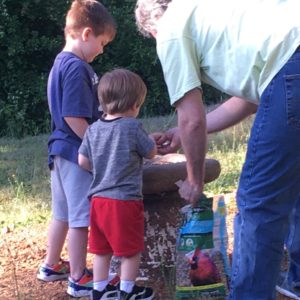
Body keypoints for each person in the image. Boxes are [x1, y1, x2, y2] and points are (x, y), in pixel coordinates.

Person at [135, 0, 300, 299]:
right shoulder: (213, 10)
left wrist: (194, 180)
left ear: (152, 25)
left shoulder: (171, 28)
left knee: (258, 204)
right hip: (292, 59)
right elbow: (249, 100)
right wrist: (180, 134)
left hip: (291, 64)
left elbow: (192, 119)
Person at [36, 0, 116, 297]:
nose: (102, 50)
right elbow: (73, 115)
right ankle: (79, 277)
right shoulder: (78, 68)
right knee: (82, 218)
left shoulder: (60, 63)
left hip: (58, 151)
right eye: (102, 42)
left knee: (63, 214)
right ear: (86, 33)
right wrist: (95, 145)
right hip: (74, 152)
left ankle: (51, 265)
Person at [78, 68, 157, 300]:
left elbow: (82, 160)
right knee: (130, 251)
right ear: (134, 105)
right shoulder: (132, 127)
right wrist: (152, 140)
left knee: (102, 250)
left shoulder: (93, 129)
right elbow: (151, 152)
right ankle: (127, 291)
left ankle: (99, 290)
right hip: (124, 201)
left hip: (98, 201)